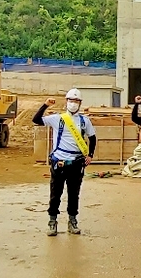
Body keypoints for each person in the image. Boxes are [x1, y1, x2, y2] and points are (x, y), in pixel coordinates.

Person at [33, 88, 97, 236]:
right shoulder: (58, 119)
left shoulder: (84, 121)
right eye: (71, 101)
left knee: (74, 194)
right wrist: (45, 105)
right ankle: (52, 221)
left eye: (76, 101)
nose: (73, 104)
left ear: (80, 103)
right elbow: (36, 120)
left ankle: (72, 221)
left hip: (76, 162)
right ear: (66, 101)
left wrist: (90, 155)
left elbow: (92, 138)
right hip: (59, 162)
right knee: (56, 193)